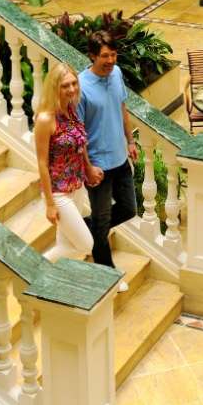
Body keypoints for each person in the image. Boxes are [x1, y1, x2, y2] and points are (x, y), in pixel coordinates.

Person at [78, 30, 140, 289]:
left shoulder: (116, 75)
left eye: (113, 54)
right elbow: (78, 132)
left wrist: (130, 141)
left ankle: (81, 229)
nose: (111, 60)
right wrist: (87, 167)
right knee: (102, 222)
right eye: (105, 56)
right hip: (98, 167)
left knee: (129, 209)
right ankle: (108, 274)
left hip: (120, 158)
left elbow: (122, 109)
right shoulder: (81, 87)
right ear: (92, 56)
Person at [34, 63, 98, 264]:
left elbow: (80, 142)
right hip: (59, 193)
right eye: (65, 86)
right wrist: (50, 204)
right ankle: (34, 267)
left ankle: (44, 276)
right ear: (54, 88)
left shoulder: (71, 109)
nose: (71, 89)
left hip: (77, 187)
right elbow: (42, 163)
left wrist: (88, 168)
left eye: (74, 84)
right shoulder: (45, 119)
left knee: (65, 245)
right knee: (86, 245)